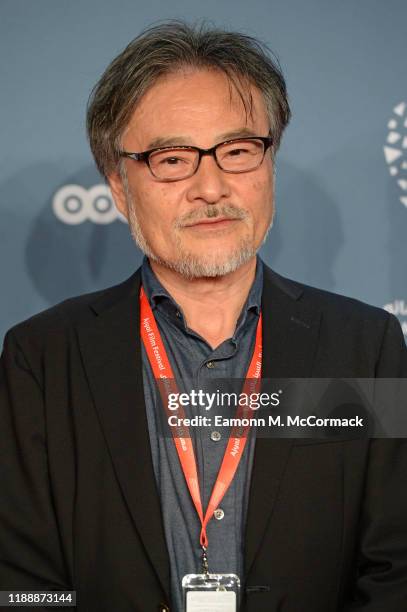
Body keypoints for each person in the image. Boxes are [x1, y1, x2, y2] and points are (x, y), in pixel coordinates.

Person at [1, 21, 406, 612]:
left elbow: (395, 566)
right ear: (118, 185)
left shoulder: (363, 345)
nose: (211, 186)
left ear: (271, 164)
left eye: (238, 151)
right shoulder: (43, 357)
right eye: (172, 160)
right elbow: (23, 583)